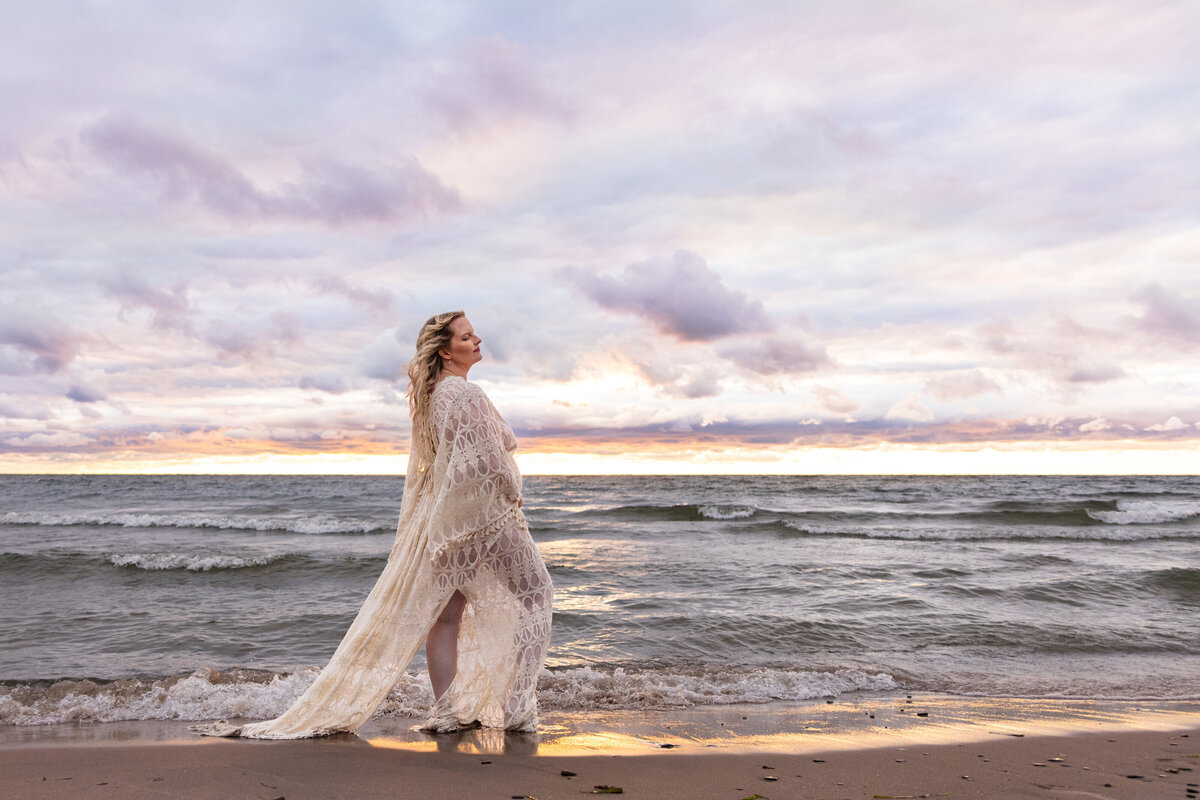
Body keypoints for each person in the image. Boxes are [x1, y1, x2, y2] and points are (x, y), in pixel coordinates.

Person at [192, 311, 553, 738]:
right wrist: (513, 491)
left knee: (447, 616)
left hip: (444, 520)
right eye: (466, 336)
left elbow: (438, 468)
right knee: (537, 595)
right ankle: (517, 708)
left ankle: (448, 711)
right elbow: (490, 462)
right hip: (484, 518)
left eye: (474, 334)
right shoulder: (465, 395)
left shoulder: (433, 396)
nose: (477, 340)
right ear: (445, 350)